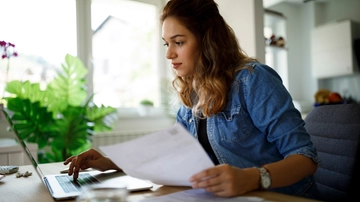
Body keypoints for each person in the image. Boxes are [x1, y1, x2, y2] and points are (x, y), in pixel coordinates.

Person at [64, 0, 320, 199]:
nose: (169, 54)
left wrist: (254, 177)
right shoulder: (192, 95)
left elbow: (305, 158)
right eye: (166, 44)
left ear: (208, 41)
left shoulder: (252, 81)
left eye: (178, 42)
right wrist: (110, 161)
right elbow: (175, 154)